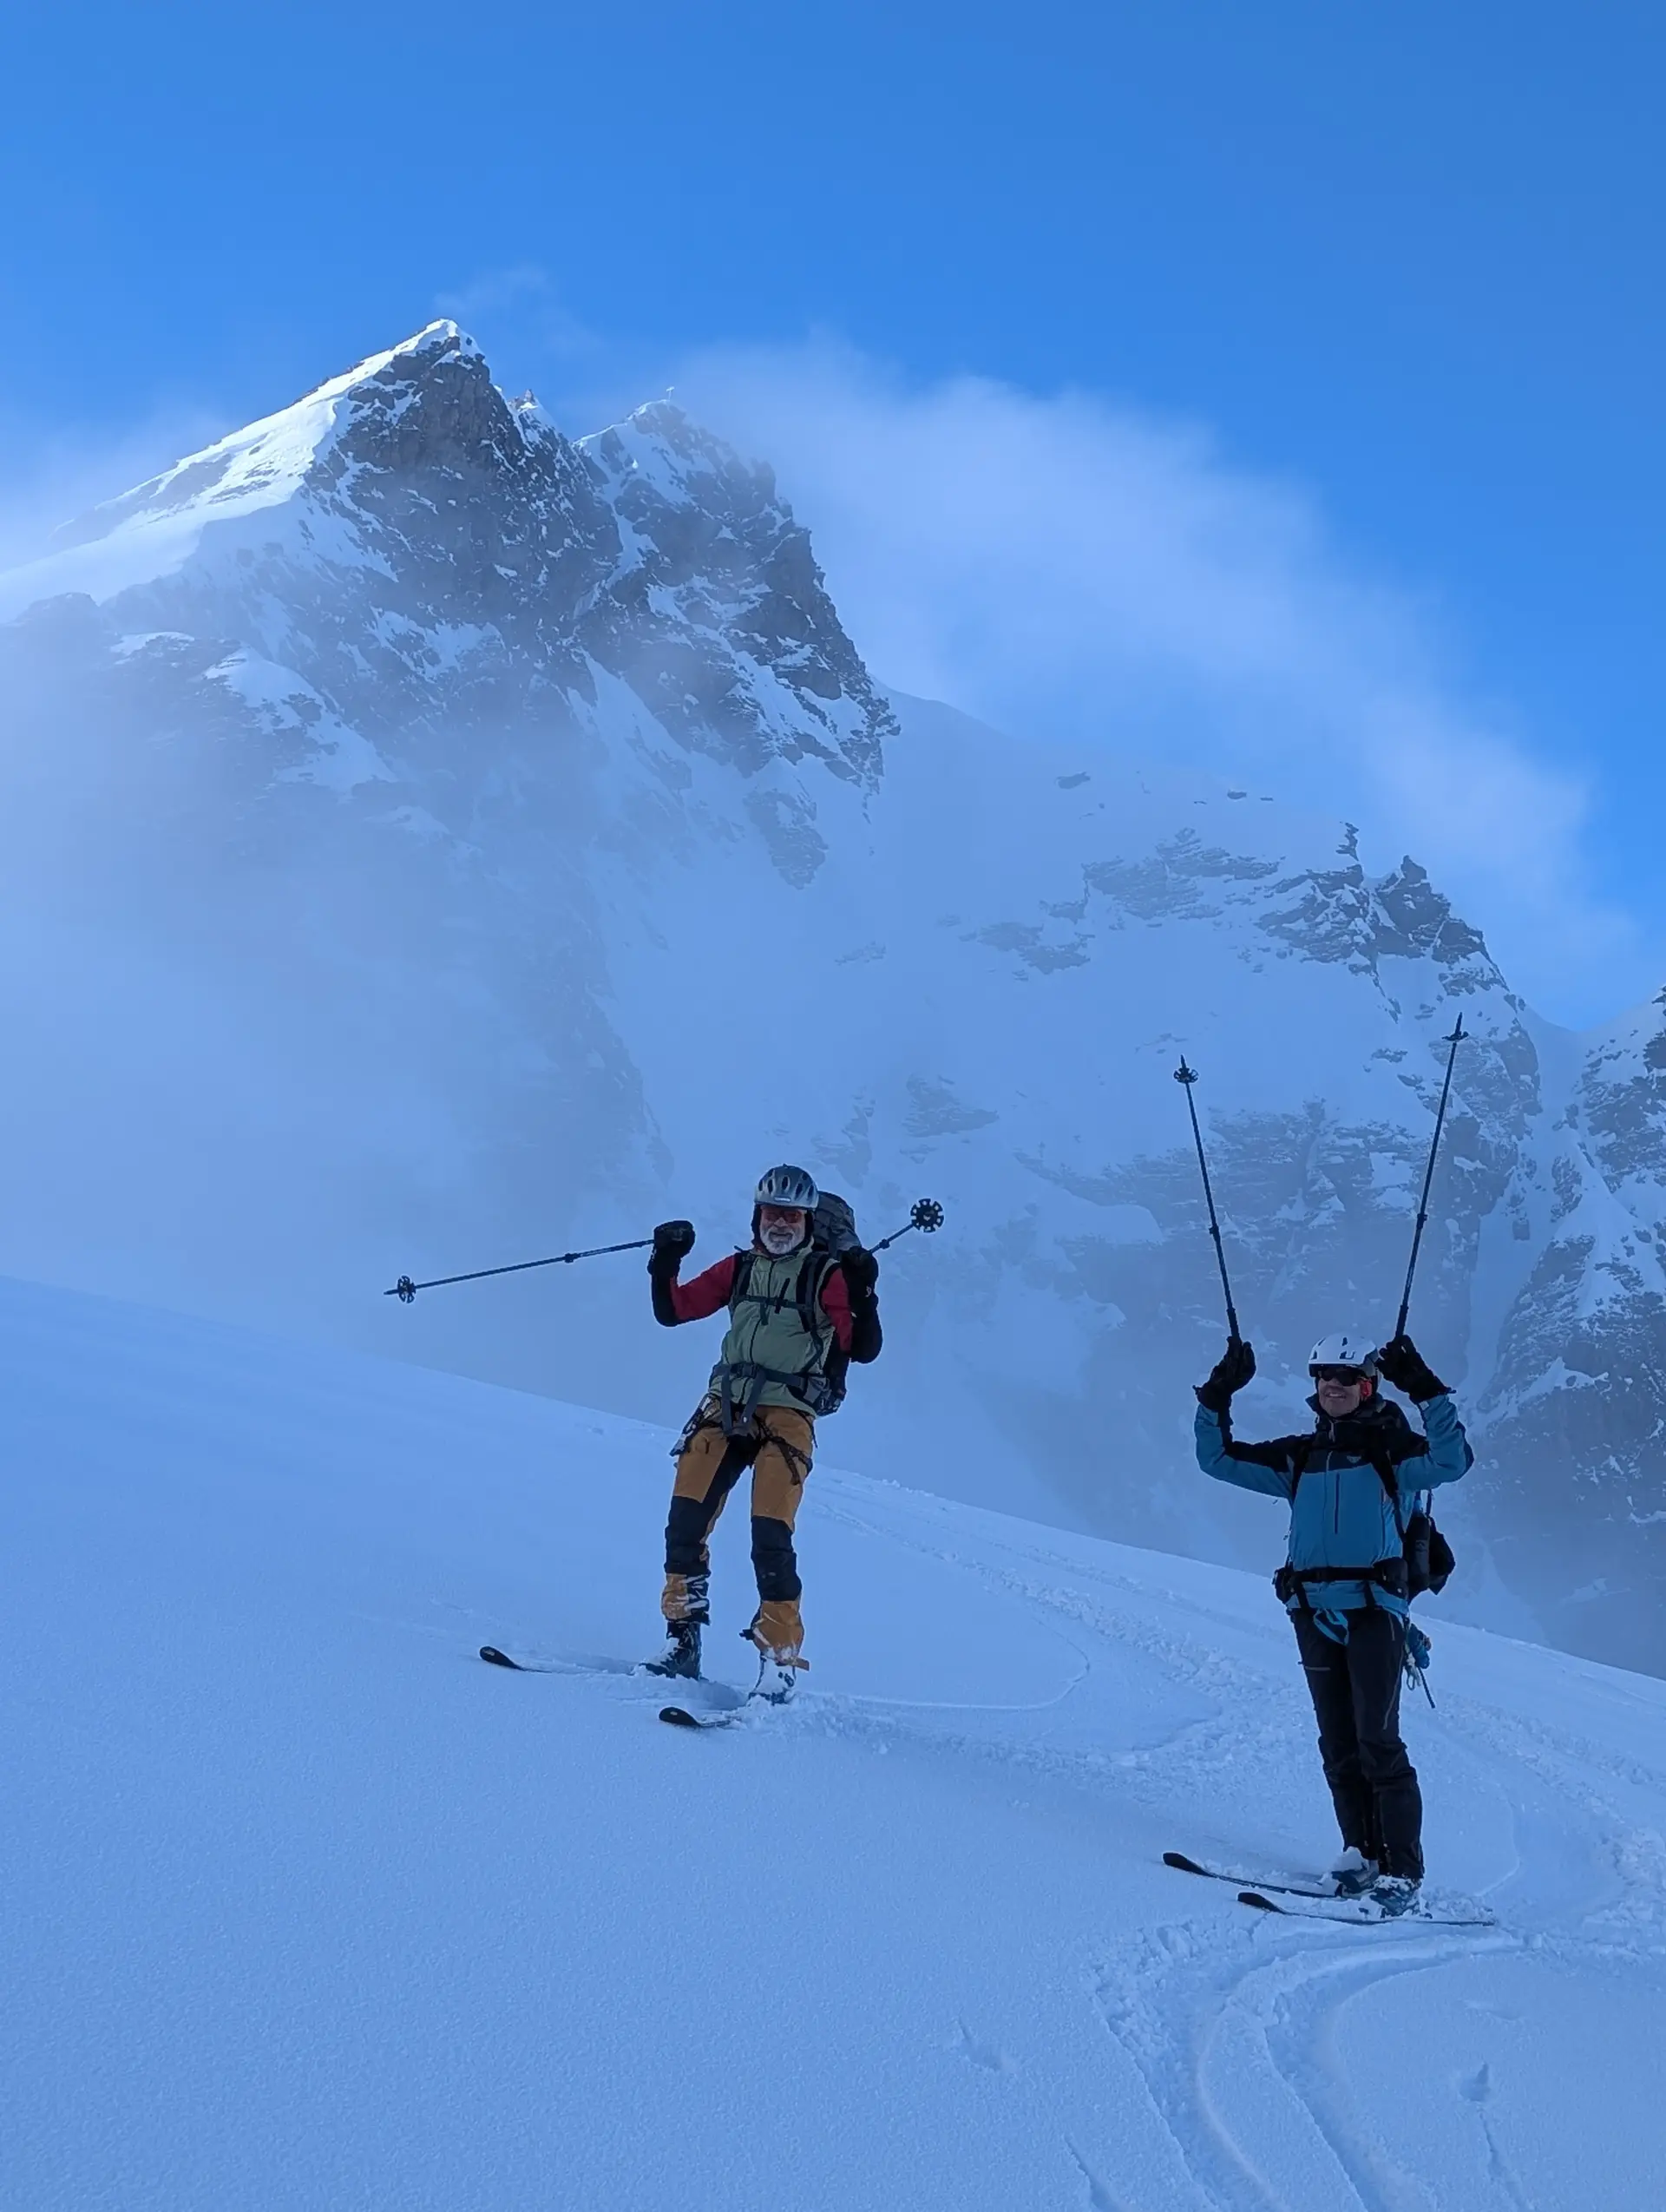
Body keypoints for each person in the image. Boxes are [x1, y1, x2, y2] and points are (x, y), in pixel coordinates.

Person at [1193, 1327, 1473, 1914]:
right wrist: (1216, 1395)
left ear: (1367, 1384)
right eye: (1322, 1376)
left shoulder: (1393, 1453)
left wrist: (1425, 1387)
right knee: (1339, 1743)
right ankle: (1359, 1856)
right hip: (1311, 1610)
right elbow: (1215, 1459)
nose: (1332, 1385)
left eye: (1344, 1376)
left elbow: (1452, 1460)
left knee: (1379, 1741)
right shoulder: (1300, 1456)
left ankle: (1402, 1873)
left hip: (1374, 1610)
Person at [641, 1165, 882, 1702]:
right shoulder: (740, 1269)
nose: (780, 1225)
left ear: (807, 1222)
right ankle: (682, 1641)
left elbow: (862, 1348)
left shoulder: (826, 1276)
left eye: (791, 1217)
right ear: (757, 1217)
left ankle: (778, 1663)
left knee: (770, 1538)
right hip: (725, 1406)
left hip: (788, 1413)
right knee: (685, 1523)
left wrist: (863, 1290)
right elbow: (673, 1310)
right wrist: (666, 1262)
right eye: (772, 1214)